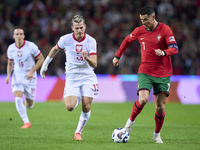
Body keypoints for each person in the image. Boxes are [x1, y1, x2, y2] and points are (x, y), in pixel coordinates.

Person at [112, 7, 178, 143]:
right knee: (143, 99)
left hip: (163, 73)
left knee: (160, 106)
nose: (143, 23)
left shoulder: (165, 29)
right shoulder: (139, 31)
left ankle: (156, 135)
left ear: (153, 17)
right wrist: (117, 56)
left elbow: (175, 48)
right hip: (145, 71)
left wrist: (164, 52)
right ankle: (129, 125)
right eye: (141, 20)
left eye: (146, 20)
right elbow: (126, 41)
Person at [40, 15, 99, 141]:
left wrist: (87, 57)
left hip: (88, 75)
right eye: (76, 28)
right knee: (70, 107)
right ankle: (79, 96)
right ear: (72, 28)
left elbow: (94, 64)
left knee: (86, 106)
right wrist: (45, 65)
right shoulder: (65, 39)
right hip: (72, 76)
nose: (79, 30)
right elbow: (55, 49)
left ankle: (78, 132)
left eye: (81, 28)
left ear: (85, 27)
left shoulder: (91, 41)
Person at [6, 26, 44, 128]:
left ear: (24, 36)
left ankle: (27, 104)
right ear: (13, 36)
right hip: (17, 76)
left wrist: (32, 71)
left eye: (21, 34)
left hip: (30, 77)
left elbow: (41, 59)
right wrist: (8, 75)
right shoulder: (11, 48)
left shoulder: (31, 46)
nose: (19, 36)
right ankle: (26, 122)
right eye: (17, 34)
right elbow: (10, 63)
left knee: (29, 105)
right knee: (18, 98)